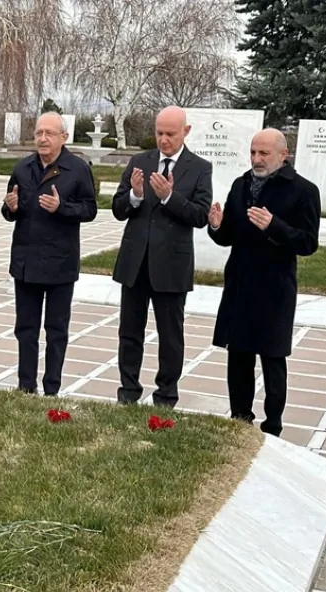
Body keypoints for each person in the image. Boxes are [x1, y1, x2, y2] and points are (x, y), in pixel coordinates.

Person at [207, 128, 320, 437]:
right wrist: (217, 226)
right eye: (253, 152)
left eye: (264, 153)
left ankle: (273, 426)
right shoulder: (241, 185)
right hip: (240, 286)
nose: (256, 159)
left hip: (275, 289)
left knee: (272, 358)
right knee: (239, 356)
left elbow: (308, 242)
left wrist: (275, 226)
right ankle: (240, 419)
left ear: (284, 155)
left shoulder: (303, 191)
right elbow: (229, 235)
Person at [111, 105, 212, 407]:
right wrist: (135, 196)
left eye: (170, 134)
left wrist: (169, 197)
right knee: (130, 332)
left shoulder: (199, 167)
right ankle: (128, 392)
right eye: (159, 133)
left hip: (171, 265)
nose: (164, 140)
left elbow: (200, 215)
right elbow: (118, 209)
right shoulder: (139, 161)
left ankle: (166, 394)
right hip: (135, 263)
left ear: (186, 132)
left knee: (170, 336)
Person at [1, 112, 97, 395]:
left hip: (60, 264)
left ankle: (52, 388)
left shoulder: (77, 169)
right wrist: (11, 206)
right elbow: (10, 211)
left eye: (49, 133)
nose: (42, 138)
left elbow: (89, 209)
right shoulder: (23, 168)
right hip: (26, 264)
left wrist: (62, 207)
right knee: (26, 330)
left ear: (63, 137)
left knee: (56, 331)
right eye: (38, 133)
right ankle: (25, 386)